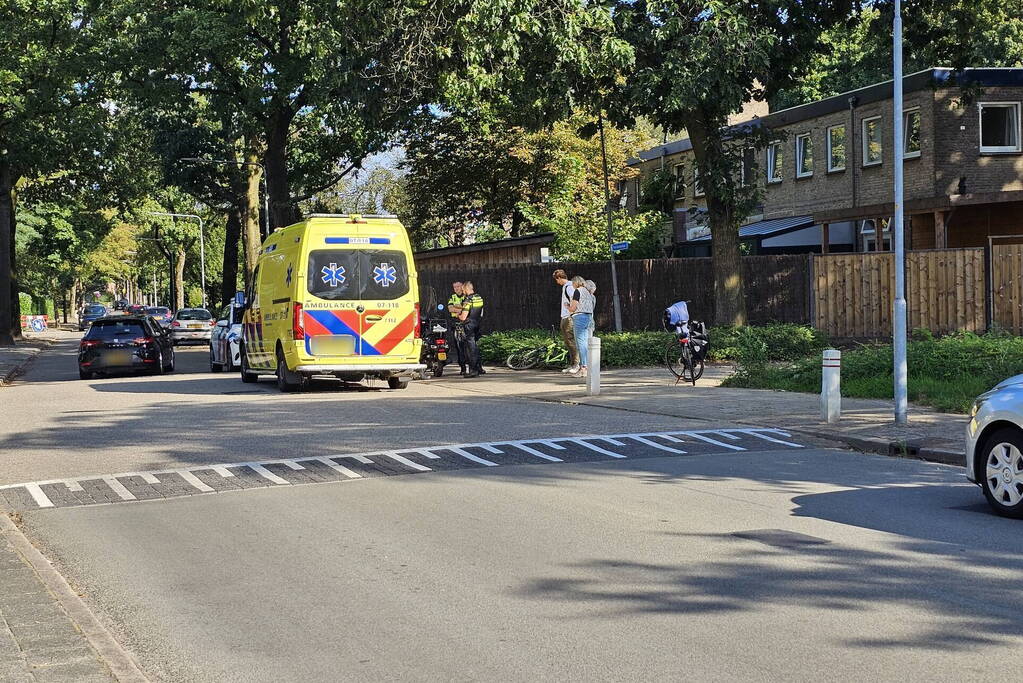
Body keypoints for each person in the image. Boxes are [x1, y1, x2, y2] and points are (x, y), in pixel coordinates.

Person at [567, 275, 594, 378]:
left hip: (579, 317)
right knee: (585, 343)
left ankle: (583, 368)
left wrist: (567, 306)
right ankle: (587, 367)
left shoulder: (577, 291)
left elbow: (573, 308)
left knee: (580, 344)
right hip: (588, 317)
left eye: (573, 283)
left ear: (575, 282)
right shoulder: (587, 292)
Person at [553, 269, 579, 374]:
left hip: (569, 317)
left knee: (571, 341)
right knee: (568, 342)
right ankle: (573, 363)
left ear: (559, 278)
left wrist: (570, 309)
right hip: (565, 317)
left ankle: (577, 364)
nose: (556, 282)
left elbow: (575, 298)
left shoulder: (568, 286)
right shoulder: (566, 286)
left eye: (556, 280)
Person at [457, 281, 485, 377]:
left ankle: (473, 370)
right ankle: (479, 368)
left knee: (470, 348)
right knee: (476, 347)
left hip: (469, 325)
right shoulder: (479, 298)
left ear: (465, 289)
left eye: (463, 290)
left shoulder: (468, 300)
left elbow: (463, 317)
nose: (462, 292)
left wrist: (458, 315)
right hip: (477, 323)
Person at [446, 281, 466, 374]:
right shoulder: (452, 297)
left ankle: (474, 366)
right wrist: (462, 308)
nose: (456, 289)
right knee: (458, 346)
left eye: (458, 286)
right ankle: (462, 368)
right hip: (455, 323)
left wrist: (457, 307)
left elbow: (468, 308)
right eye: (454, 287)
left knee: (467, 346)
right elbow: (450, 309)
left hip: (465, 322)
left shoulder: (466, 296)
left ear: (462, 287)